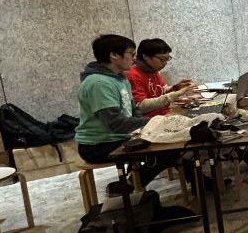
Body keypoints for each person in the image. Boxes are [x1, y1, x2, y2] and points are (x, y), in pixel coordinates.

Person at [75, 34, 178, 193]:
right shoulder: (98, 83)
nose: (134, 58)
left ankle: (132, 181)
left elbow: (134, 110)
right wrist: (157, 121)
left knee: (175, 139)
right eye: (131, 53)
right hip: (99, 146)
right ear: (114, 55)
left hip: (120, 137)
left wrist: (152, 126)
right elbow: (116, 124)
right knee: (169, 149)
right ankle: (129, 185)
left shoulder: (119, 78)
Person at [126, 38, 196, 117]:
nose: (165, 63)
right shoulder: (133, 74)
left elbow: (162, 90)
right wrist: (178, 93)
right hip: (150, 120)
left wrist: (175, 87)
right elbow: (140, 106)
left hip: (165, 113)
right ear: (146, 56)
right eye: (162, 59)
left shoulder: (152, 70)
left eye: (167, 59)